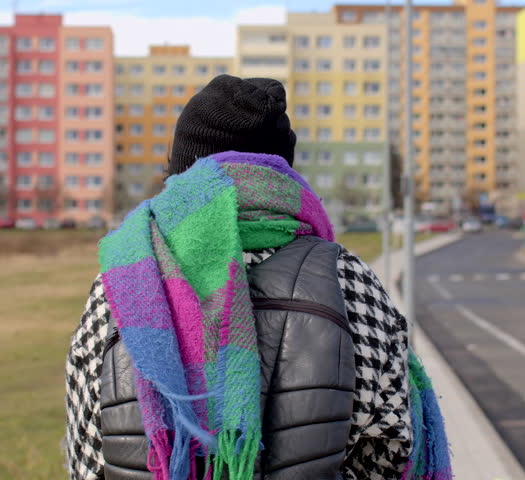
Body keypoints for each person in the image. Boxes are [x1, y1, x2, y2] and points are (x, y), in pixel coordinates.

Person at [64, 75, 450, 480]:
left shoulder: (120, 284)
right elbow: (395, 451)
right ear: (284, 174)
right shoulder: (349, 281)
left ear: (179, 173)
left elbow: (87, 459)